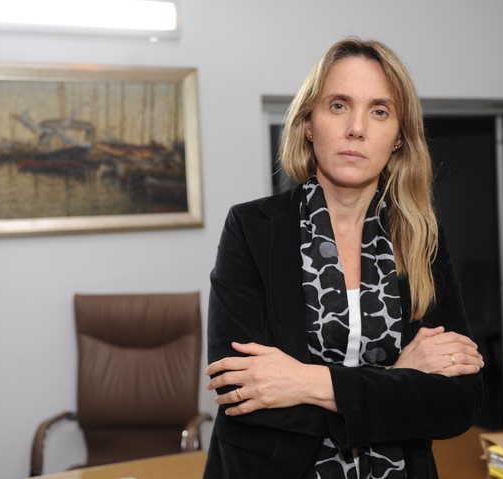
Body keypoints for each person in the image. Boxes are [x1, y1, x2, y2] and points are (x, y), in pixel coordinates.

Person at [202, 38, 485, 479]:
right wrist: (400, 377)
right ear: (308, 123)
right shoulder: (253, 228)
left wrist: (304, 382)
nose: (356, 128)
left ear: (398, 138)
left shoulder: (421, 238)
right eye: (338, 106)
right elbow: (242, 391)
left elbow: (456, 403)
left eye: (379, 111)